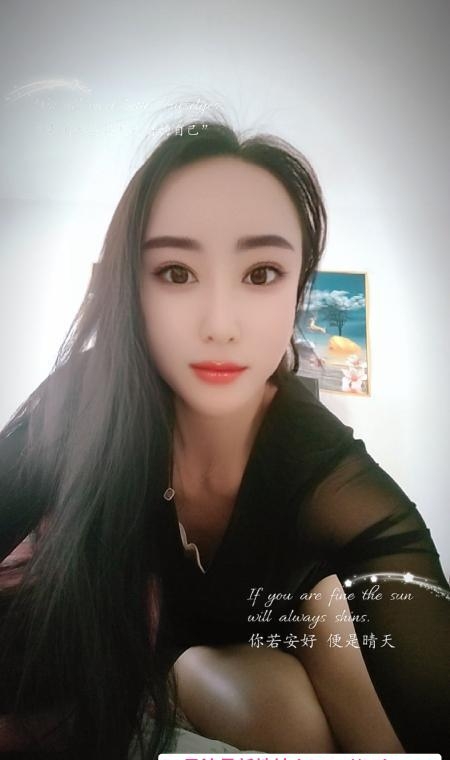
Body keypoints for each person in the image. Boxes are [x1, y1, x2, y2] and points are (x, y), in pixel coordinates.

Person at [0, 117, 448, 758]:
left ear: (298, 289)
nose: (219, 324)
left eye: (261, 273)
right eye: (176, 272)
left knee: (329, 634)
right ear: (132, 287)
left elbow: (407, 593)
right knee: (287, 719)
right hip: (184, 661)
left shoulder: (320, 468)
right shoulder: (89, 401)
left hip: (283, 629)